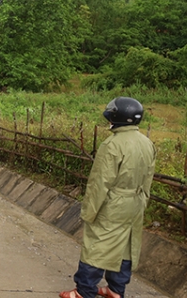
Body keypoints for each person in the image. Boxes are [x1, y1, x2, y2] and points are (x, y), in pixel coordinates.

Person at [60, 97, 156, 298]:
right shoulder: (147, 143)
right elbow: (148, 178)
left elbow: (99, 183)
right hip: (136, 203)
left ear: (117, 117)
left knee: (97, 244)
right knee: (126, 247)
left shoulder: (112, 144)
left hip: (113, 203)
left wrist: (89, 212)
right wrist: (143, 200)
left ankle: (84, 291)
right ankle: (116, 289)